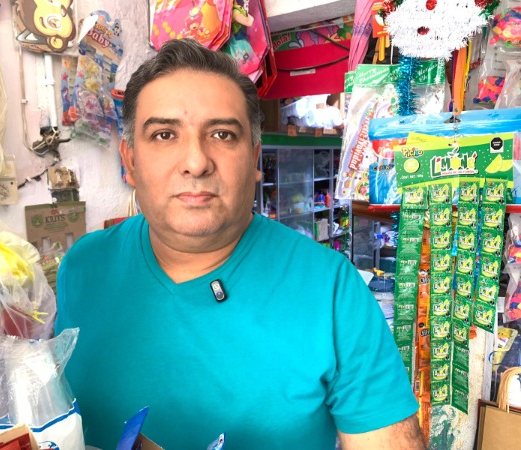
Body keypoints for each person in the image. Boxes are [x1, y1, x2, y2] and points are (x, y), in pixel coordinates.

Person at [55, 38, 425, 450]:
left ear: (253, 158)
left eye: (222, 134)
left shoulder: (330, 288)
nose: (196, 162)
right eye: (164, 134)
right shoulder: (83, 267)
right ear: (130, 160)